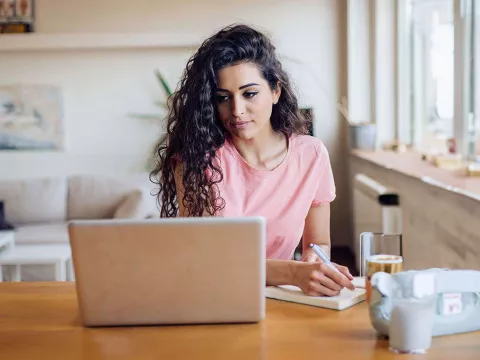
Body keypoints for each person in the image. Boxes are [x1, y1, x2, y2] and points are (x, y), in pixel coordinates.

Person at [150, 24, 355, 296]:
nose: (236, 111)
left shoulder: (311, 154)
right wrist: (294, 272)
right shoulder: (196, 160)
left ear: (275, 91)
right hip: (210, 296)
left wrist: (314, 264)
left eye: (249, 94)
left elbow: (317, 243)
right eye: (223, 98)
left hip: (282, 297)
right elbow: (208, 262)